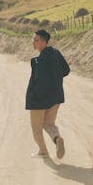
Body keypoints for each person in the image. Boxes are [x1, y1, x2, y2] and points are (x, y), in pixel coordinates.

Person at [26, 29, 70, 159]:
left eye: (36, 40)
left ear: (44, 42)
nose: (33, 42)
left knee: (36, 129)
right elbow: (66, 70)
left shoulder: (41, 61)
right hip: (56, 97)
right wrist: (55, 80)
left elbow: (40, 81)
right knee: (49, 124)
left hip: (40, 100)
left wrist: (33, 95)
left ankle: (43, 151)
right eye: (33, 39)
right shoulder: (56, 53)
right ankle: (57, 139)